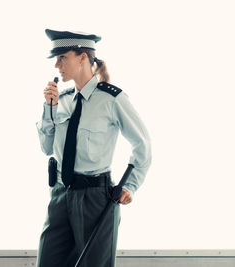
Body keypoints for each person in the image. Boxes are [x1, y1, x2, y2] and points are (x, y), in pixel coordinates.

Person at [35, 29, 152, 267]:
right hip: (60, 193)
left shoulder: (112, 100)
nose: (58, 65)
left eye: (62, 58)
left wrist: (130, 185)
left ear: (82, 57)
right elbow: (47, 148)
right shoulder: (63, 100)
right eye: (56, 60)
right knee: (48, 261)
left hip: (95, 198)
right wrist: (49, 109)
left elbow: (143, 143)